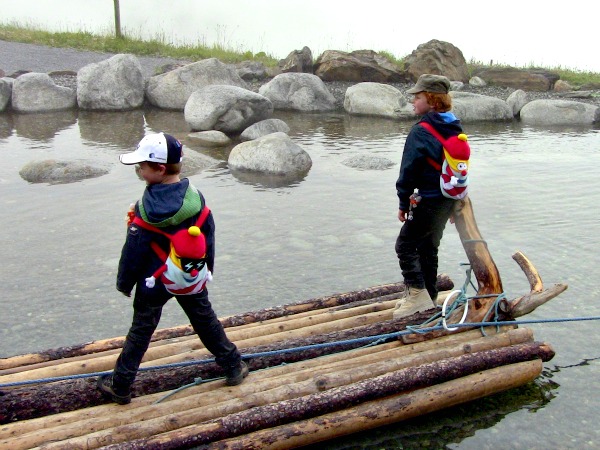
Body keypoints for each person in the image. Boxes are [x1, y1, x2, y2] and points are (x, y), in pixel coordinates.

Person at [97, 132, 248, 405]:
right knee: (204, 320)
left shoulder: (145, 209)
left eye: (142, 166)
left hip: (152, 279)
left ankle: (120, 385)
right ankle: (234, 366)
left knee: (141, 330)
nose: (139, 170)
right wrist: (204, 272)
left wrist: (124, 283)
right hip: (187, 274)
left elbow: (133, 250)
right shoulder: (196, 200)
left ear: (160, 168)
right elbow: (207, 238)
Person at [392, 74, 465, 319]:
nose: (413, 100)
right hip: (446, 199)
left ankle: (416, 295)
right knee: (428, 247)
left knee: (404, 245)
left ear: (432, 101)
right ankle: (430, 296)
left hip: (428, 199)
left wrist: (403, 202)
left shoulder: (421, 131)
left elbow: (408, 172)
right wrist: (456, 201)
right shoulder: (453, 126)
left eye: (418, 96)